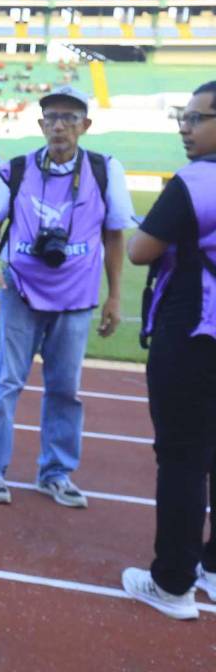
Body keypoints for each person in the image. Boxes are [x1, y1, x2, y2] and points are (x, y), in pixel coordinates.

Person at [0, 86, 134, 508]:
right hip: (20, 293)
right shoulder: (15, 170)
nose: (59, 125)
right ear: (40, 124)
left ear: (86, 125)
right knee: (7, 382)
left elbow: (114, 235)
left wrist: (115, 296)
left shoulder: (104, 170)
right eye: (52, 118)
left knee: (65, 389)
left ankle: (55, 472)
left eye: (69, 117)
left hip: (76, 299)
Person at [123, 80, 216, 620]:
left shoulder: (195, 181)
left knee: (182, 457)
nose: (186, 126)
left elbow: (141, 250)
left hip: (193, 333)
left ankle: (172, 582)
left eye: (197, 117)